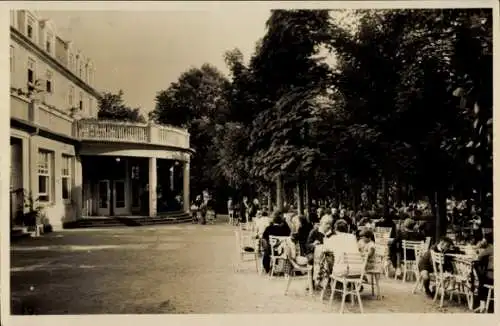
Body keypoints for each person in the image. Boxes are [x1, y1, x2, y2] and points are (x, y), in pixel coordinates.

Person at [474, 232, 494, 312]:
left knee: (481, 282)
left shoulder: (490, 248)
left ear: (486, 240)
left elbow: (478, 257)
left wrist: (479, 246)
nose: (482, 240)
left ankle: (482, 306)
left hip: (492, 278)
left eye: (483, 238)